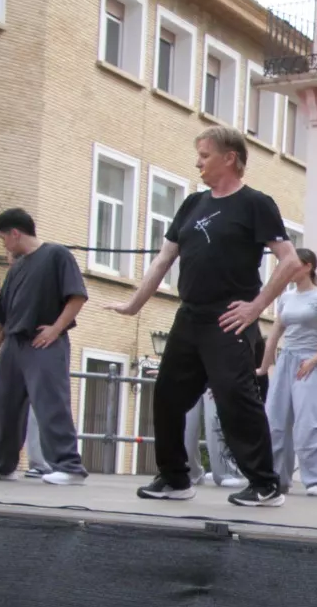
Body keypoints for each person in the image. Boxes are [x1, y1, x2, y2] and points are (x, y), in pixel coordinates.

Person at [106, 125, 301, 507]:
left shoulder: (255, 203)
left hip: (229, 317)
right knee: (166, 395)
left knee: (235, 398)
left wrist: (256, 306)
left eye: (205, 155)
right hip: (189, 317)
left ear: (229, 158)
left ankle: (265, 485)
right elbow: (164, 259)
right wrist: (133, 305)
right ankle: (176, 478)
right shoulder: (192, 205)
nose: (198, 162)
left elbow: (290, 261)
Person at [0, 208, 89, 486]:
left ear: (15, 233)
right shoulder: (16, 267)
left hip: (43, 342)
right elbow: (1, 315)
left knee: (50, 402)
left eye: (3, 237)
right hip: (13, 346)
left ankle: (69, 467)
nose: (3, 244)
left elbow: (77, 296)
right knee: (3, 403)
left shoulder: (57, 255)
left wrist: (56, 328)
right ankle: (2, 465)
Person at [257, 248, 317, 497]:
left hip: (309, 361)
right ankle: (277, 478)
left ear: (307, 267)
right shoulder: (286, 298)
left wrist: (314, 360)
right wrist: (264, 367)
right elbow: (274, 334)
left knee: (308, 423)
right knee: (275, 421)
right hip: (286, 361)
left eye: (292, 264)